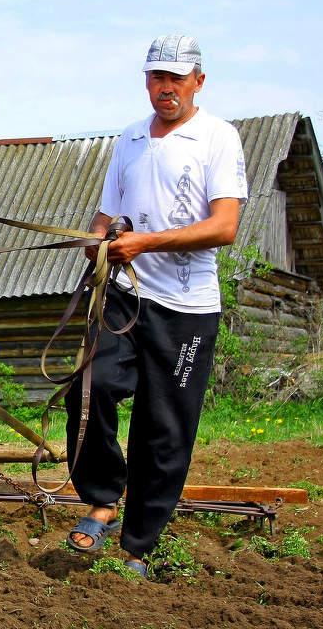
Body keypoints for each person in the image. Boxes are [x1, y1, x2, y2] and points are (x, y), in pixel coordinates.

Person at [64, 35, 247, 579]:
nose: (164, 88)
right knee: (88, 387)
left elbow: (225, 227)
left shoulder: (217, 137)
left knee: (163, 428)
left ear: (198, 81)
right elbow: (104, 219)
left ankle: (137, 545)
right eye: (155, 78)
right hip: (126, 293)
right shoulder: (130, 139)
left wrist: (146, 242)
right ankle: (101, 500)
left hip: (187, 308)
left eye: (175, 78)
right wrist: (96, 241)